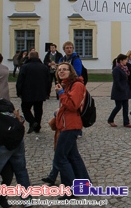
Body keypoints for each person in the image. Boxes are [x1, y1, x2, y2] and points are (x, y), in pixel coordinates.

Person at [0, 82, 32, 207]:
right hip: (17, 140)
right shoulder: (6, 103)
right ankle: (27, 200)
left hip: (2, 144)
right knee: (21, 171)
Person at [53, 62, 90, 198]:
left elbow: (73, 105)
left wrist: (61, 93)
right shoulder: (67, 85)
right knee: (73, 156)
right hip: (67, 124)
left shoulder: (77, 85)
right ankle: (84, 186)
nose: (61, 72)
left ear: (71, 72)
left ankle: (70, 190)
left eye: (65, 70)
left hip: (70, 126)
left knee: (60, 159)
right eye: (59, 70)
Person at [16, 51, 51, 134]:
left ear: (29, 57)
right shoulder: (44, 67)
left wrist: (19, 92)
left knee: (26, 109)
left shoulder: (25, 67)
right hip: (40, 92)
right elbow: (48, 81)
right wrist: (47, 92)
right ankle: (37, 126)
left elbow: (20, 81)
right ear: (38, 57)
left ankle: (32, 122)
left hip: (27, 92)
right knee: (38, 110)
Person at [108, 54, 131, 128]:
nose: (127, 61)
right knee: (118, 106)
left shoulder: (124, 68)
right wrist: (121, 88)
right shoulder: (117, 69)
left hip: (125, 89)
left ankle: (126, 122)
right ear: (121, 61)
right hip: (119, 91)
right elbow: (116, 81)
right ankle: (110, 119)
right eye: (125, 60)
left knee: (126, 106)